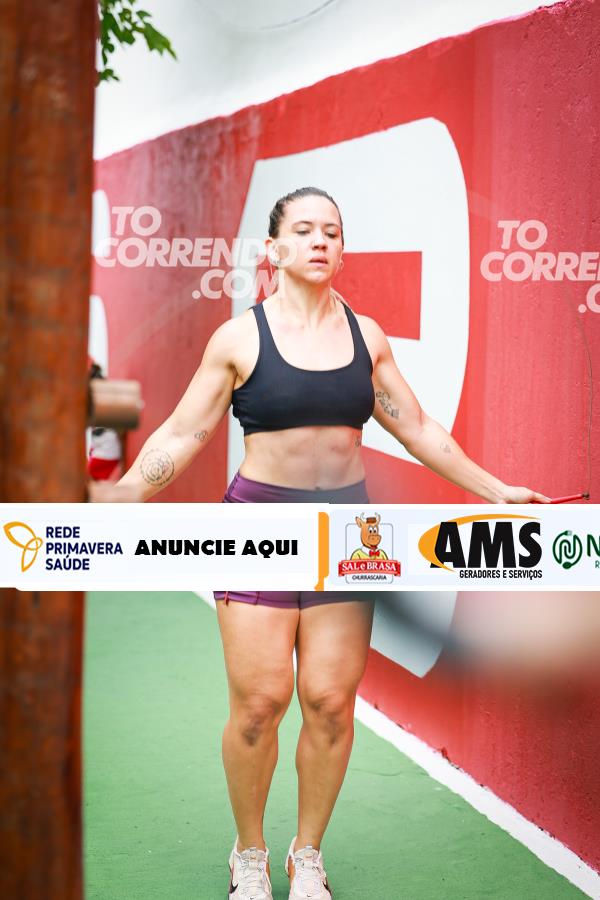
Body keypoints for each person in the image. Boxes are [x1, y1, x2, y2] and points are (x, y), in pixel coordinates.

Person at [116, 186, 550, 900]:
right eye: (305, 229)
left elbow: (418, 429)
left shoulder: (366, 337)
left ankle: (307, 854)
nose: (320, 241)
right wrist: (118, 499)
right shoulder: (239, 339)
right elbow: (182, 434)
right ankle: (249, 854)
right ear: (274, 248)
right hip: (256, 530)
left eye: (333, 232)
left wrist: (496, 491)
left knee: (328, 702)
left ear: (342, 251)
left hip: (348, 536)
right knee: (259, 705)